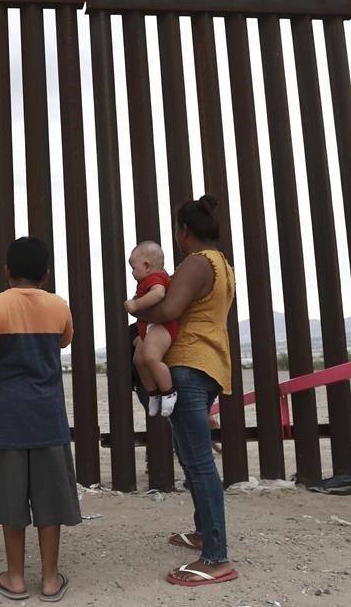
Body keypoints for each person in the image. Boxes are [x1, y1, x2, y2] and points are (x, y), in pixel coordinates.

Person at [0, 236, 78, 603]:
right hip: (47, 418)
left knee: (11, 499)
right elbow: (62, 342)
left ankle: (14, 578)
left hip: (4, 418)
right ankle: (48, 579)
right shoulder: (59, 306)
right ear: (45, 273)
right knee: (49, 498)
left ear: (7, 271)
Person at [132, 196, 238, 587]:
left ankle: (216, 556)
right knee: (190, 454)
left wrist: (135, 309)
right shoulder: (222, 263)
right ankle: (203, 532)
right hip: (208, 363)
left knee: (197, 462)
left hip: (190, 364)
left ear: (183, 232)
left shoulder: (196, 262)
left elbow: (169, 310)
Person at [125, 241, 180, 417]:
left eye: (133, 268)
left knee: (150, 357)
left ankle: (168, 391)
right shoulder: (146, 281)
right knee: (139, 360)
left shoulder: (156, 279)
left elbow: (158, 294)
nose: (132, 272)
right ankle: (153, 394)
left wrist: (135, 304)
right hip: (147, 327)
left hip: (160, 327)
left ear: (147, 266)